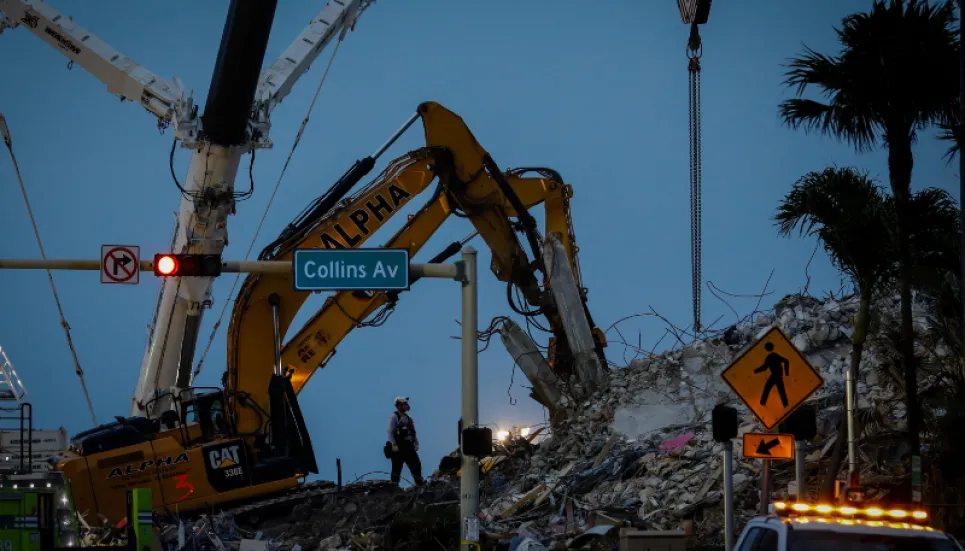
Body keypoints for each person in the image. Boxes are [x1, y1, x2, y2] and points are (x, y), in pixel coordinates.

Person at [386, 396, 424, 486]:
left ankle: (419, 483)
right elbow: (390, 432)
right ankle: (394, 487)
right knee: (396, 468)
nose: (406, 405)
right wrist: (393, 444)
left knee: (416, 464)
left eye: (406, 404)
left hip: (408, 446)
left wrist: (416, 442)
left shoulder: (408, 418)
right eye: (404, 404)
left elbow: (412, 432)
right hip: (398, 447)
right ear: (398, 405)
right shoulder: (394, 417)